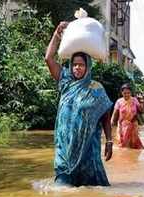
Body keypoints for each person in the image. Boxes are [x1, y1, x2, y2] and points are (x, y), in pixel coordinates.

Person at [45, 22, 113, 186]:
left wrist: (109, 141)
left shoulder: (96, 89)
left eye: (81, 65)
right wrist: (56, 35)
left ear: (88, 66)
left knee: (89, 188)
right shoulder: (65, 81)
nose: (77, 68)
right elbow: (48, 58)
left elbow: (105, 118)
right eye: (74, 64)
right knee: (62, 188)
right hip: (64, 148)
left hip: (87, 150)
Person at [111, 84, 144, 149]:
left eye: (128, 93)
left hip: (133, 125)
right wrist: (111, 124)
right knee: (123, 146)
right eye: (124, 93)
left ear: (131, 93)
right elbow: (114, 114)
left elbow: (141, 111)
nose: (126, 95)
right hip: (123, 126)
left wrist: (142, 101)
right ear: (122, 93)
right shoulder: (119, 101)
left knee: (134, 145)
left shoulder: (134, 100)